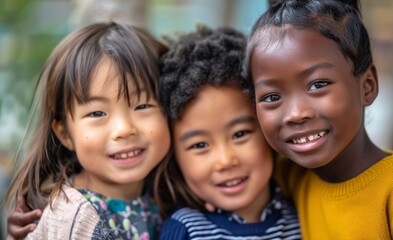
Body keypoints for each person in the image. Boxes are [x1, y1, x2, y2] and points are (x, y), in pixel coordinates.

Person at [244, 0, 393, 239]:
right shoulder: (291, 175)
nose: (296, 113)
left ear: (367, 86)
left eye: (318, 85)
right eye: (271, 97)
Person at [4, 21, 171, 240]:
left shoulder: (161, 195)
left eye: (142, 106)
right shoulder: (74, 216)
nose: (124, 129)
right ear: (64, 133)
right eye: (97, 113)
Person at [153, 24, 301, 239]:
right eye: (200, 145)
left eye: (240, 134)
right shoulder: (185, 231)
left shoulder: (299, 217)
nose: (225, 160)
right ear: (175, 156)